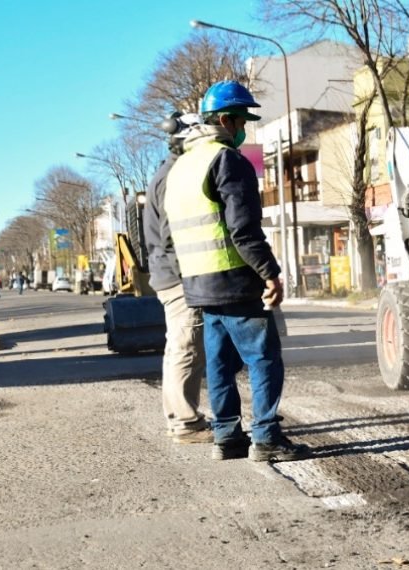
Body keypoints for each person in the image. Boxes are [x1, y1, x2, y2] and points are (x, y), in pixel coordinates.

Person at [164, 80, 309, 462]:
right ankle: (265, 438)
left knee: (220, 363)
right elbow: (243, 229)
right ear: (225, 119)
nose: (245, 128)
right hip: (235, 279)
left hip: (198, 284)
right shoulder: (226, 160)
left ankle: (226, 437)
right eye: (242, 119)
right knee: (263, 358)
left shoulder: (181, 167)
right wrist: (270, 273)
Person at [144, 112, 213, 445]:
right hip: (177, 277)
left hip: (166, 274)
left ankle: (182, 419)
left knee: (179, 347)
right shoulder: (175, 176)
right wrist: (193, 277)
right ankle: (186, 423)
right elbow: (174, 236)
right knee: (186, 347)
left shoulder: (166, 172)